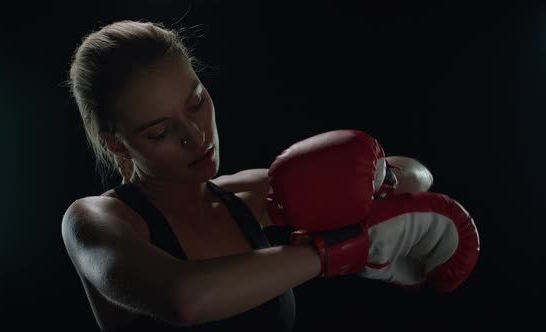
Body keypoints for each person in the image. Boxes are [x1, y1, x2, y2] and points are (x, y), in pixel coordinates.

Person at [61, 20, 435, 331]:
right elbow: (185, 300)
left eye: (197, 102)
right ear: (116, 144)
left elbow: (415, 178)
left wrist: (378, 179)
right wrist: (336, 252)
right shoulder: (95, 221)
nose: (195, 135)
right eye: (159, 132)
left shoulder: (246, 197)